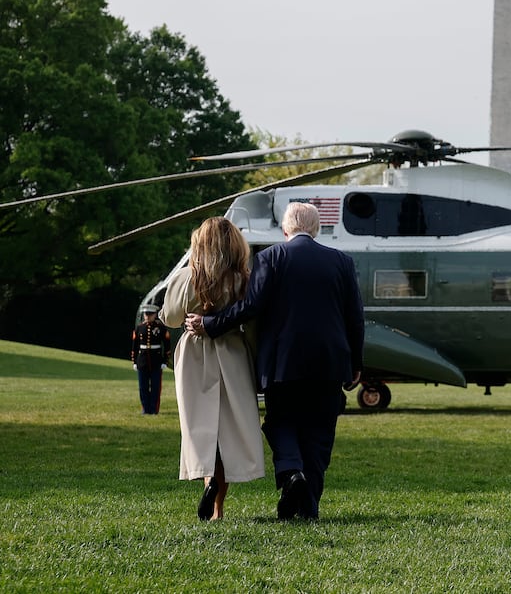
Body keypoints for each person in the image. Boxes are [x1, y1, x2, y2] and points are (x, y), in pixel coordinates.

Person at [186, 202, 364, 521]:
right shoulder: (343, 262)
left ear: (285, 230)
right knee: (319, 435)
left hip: (283, 363)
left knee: (281, 422)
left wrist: (210, 325)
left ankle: (291, 472)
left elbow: (250, 307)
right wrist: (356, 362)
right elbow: (355, 319)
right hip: (329, 363)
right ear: (316, 229)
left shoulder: (270, 258)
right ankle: (308, 508)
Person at [161, 217, 265, 521]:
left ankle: (206, 482)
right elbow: (253, 325)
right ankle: (218, 506)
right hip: (232, 353)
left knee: (200, 426)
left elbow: (168, 317)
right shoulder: (243, 279)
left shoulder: (186, 277)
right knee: (227, 430)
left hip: (194, 355)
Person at [131, 304, 171, 414]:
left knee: (155, 387)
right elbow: (135, 346)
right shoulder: (139, 328)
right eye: (146, 314)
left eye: (150, 314)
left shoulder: (161, 328)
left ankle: (154, 409)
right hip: (142, 361)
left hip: (156, 361)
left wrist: (165, 361)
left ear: (155, 315)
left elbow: (167, 345)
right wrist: (134, 361)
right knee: (143, 387)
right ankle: (145, 409)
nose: (147, 316)